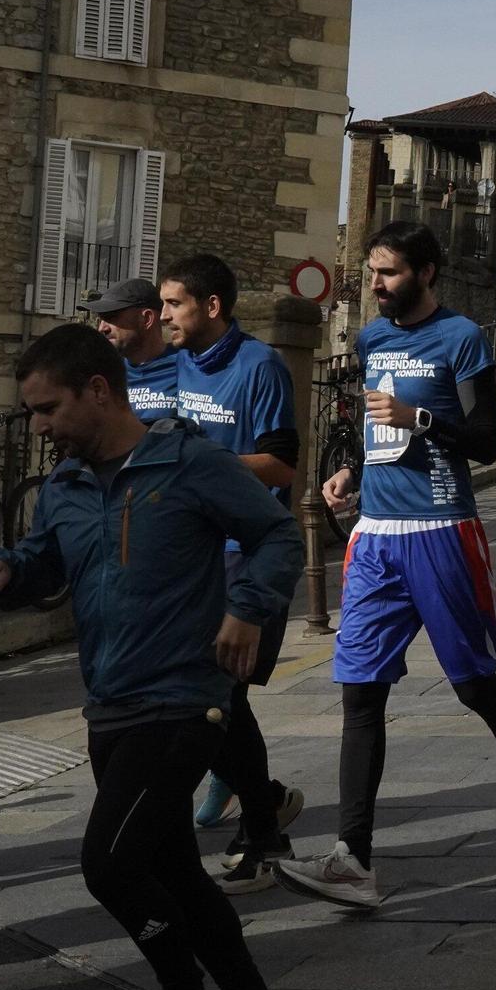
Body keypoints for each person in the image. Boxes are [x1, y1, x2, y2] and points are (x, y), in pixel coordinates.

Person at [0, 325, 303, 990]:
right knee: (174, 870)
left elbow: (278, 533)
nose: (39, 427)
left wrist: (247, 608)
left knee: (110, 865)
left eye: (48, 409)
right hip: (108, 704)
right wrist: (6, 570)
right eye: (32, 412)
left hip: (183, 702)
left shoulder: (189, 461)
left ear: (98, 390)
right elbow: (43, 562)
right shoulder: (65, 484)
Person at [274, 222, 496, 912]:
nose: (375, 284)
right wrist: (350, 472)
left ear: (426, 273)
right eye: (372, 271)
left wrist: (420, 418)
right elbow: (376, 430)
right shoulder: (372, 339)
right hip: (375, 535)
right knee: (360, 692)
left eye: (390, 273)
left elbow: (486, 441)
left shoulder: (461, 338)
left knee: (473, 686)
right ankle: (353, 860)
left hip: (442, 530)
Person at [162, 254, 305, 892]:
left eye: (174, 304)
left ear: (212, 306)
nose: (164, 316)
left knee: (224, 697)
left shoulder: (260, 366)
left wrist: (202, 463)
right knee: (206, 698)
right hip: (192, 552)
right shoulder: (178, 362)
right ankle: (265, 802)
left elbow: (281, 466)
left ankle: (265, 836)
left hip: (245, 552)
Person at [86, 278, 179, 422]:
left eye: (111, 317)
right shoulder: (104, 375)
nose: (102, 328)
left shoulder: (186, 367)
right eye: (101, 319)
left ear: (147, 319)